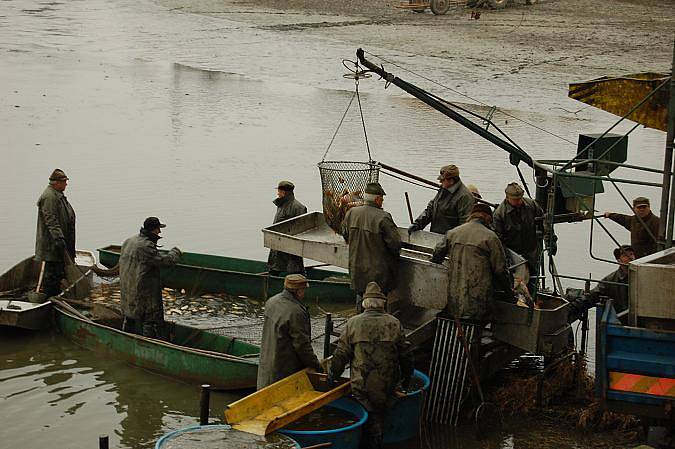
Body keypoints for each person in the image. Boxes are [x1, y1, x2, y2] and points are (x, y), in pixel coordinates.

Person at [329, 281, 413, 449]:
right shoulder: (394, 323)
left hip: (362, 384)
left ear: (365, 304)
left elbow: (341, 355)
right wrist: (407, 378)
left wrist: (332, 376)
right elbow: (405, 355)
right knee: (380, 416)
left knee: (366, 417)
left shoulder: (353, 323)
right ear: (383, 304)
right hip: (387, 385)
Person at [431, 203, 514, 320]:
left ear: (471, 216)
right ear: (488, 218)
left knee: (456, 322)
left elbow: (437, 255)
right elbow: (500, 270)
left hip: (455, 295)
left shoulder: (453, 232)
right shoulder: (491, 238)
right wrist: (509, 293)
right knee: (477, 325)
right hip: (479, 298)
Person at [341, 182, 401, 310]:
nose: (382, 202)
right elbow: (395, 244)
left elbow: (345, 236)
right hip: (378, 274)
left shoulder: (351, 213)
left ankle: (358, 324)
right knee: (379, 306)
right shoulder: (383, 217)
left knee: (360, 301)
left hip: (357, 270)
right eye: (382, 199)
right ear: (378, 199)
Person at [119, 217, 182, 338]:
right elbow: (165, 261)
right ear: (153, 230)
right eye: (158, 229)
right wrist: (176, 252)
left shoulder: (129, 241)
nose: (160, 232)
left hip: (127, 288)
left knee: (129, 317)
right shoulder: (146, 246)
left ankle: (125, 338)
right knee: (150, 320)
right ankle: (148, 344)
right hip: (142, 291)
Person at [257, 274, 321, 389]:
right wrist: (316, 365)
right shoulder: (296, 312)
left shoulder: (271, 301)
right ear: (298, 291)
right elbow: (302, 345)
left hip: (266, 368)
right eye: (304, 290)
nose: (304, 293)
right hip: (283, 373)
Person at [493, 182, 544, 294]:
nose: (518, 202)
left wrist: (550, 238)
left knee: (533, 281)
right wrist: (507, 259)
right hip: (513, 256)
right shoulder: (499, 214)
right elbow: (498, 240)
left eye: (520, 199)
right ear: (507, 198)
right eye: (515, 200)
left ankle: (533, 301)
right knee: (515, 285)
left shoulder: (531, 205)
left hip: (531, 252)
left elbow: (544, 220)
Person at [35, 169, 76, 297]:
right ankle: (50, 299)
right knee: (52, 275)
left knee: (58, 272)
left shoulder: (57, 194)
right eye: (64, 181)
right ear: (56, 183)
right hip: (51, 246)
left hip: (59, 244)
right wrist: (59, 239)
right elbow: (51, 220)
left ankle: (55, 296)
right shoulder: (49, 197)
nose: (66, 184)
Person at [407, 164, 475, 235]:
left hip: (451, 240)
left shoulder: (464, 196)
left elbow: (465, 225)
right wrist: (417, 224)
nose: (440, 182)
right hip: (435, 236)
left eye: (442, 180)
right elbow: (430, 210)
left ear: (451, 181)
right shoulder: (443, 190)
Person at [268, 180, 307, 276]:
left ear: (284, 192)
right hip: (278, 245)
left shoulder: (299, 207)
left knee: (294, 270)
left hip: (290, 248)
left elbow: (301, 229)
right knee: (275, 268)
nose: (277, 193)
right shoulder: (281, 204)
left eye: (279, 191)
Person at [590, 245, 635, 315]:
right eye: (625, 255)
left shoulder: (641, 276)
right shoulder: (609, 280)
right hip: (620, 319)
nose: (631, 258)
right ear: (619, 260)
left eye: (631, 254)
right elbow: (593, 296)